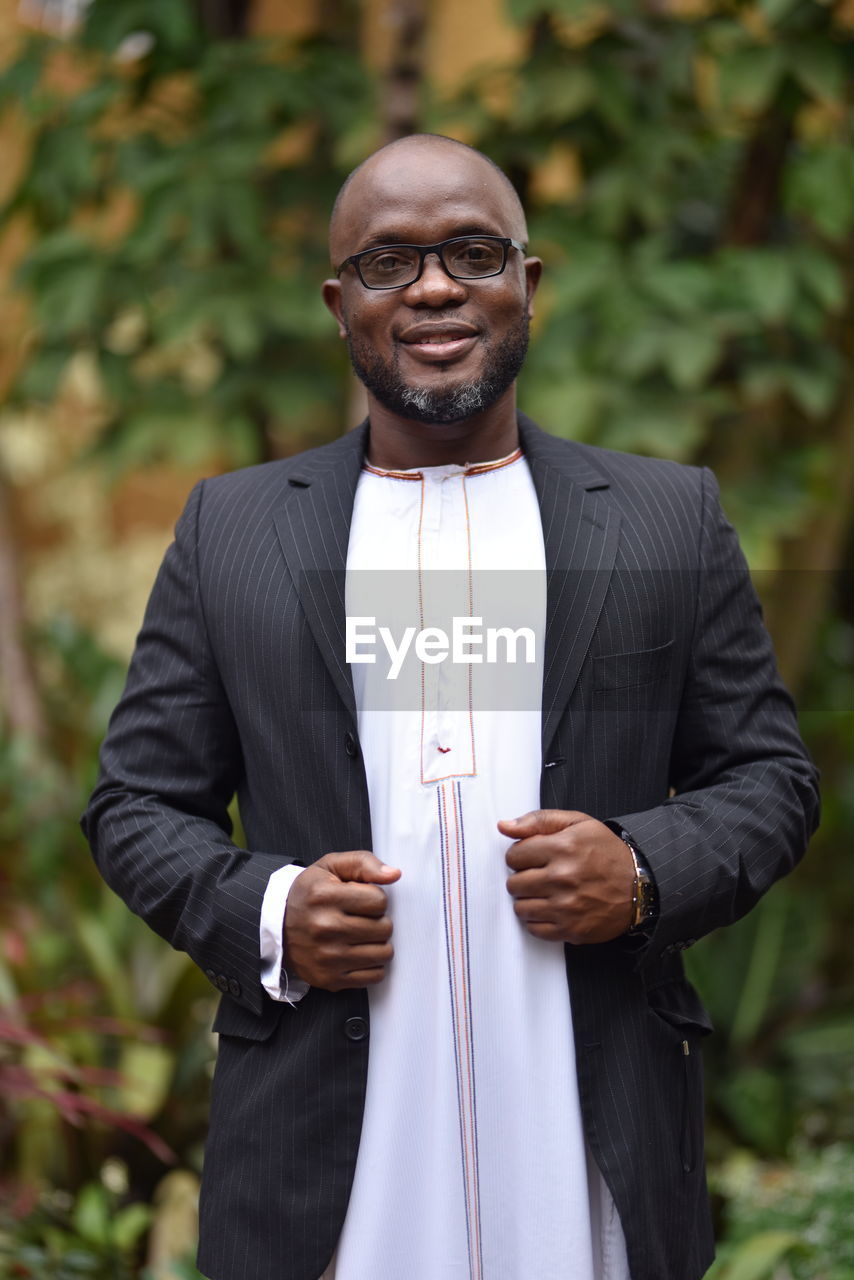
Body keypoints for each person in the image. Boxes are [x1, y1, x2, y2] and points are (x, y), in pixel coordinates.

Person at [82, 134, 819, 1280]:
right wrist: (271, 908)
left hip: (587, 1144)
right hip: (329, 1165)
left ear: (528, 282)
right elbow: (133, 802)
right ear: (339, 304)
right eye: (388, 263)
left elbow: (770, 778)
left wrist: (639, 868)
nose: (432, 286)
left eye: (472, 253)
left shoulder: (664, 520)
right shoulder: (231, 531)